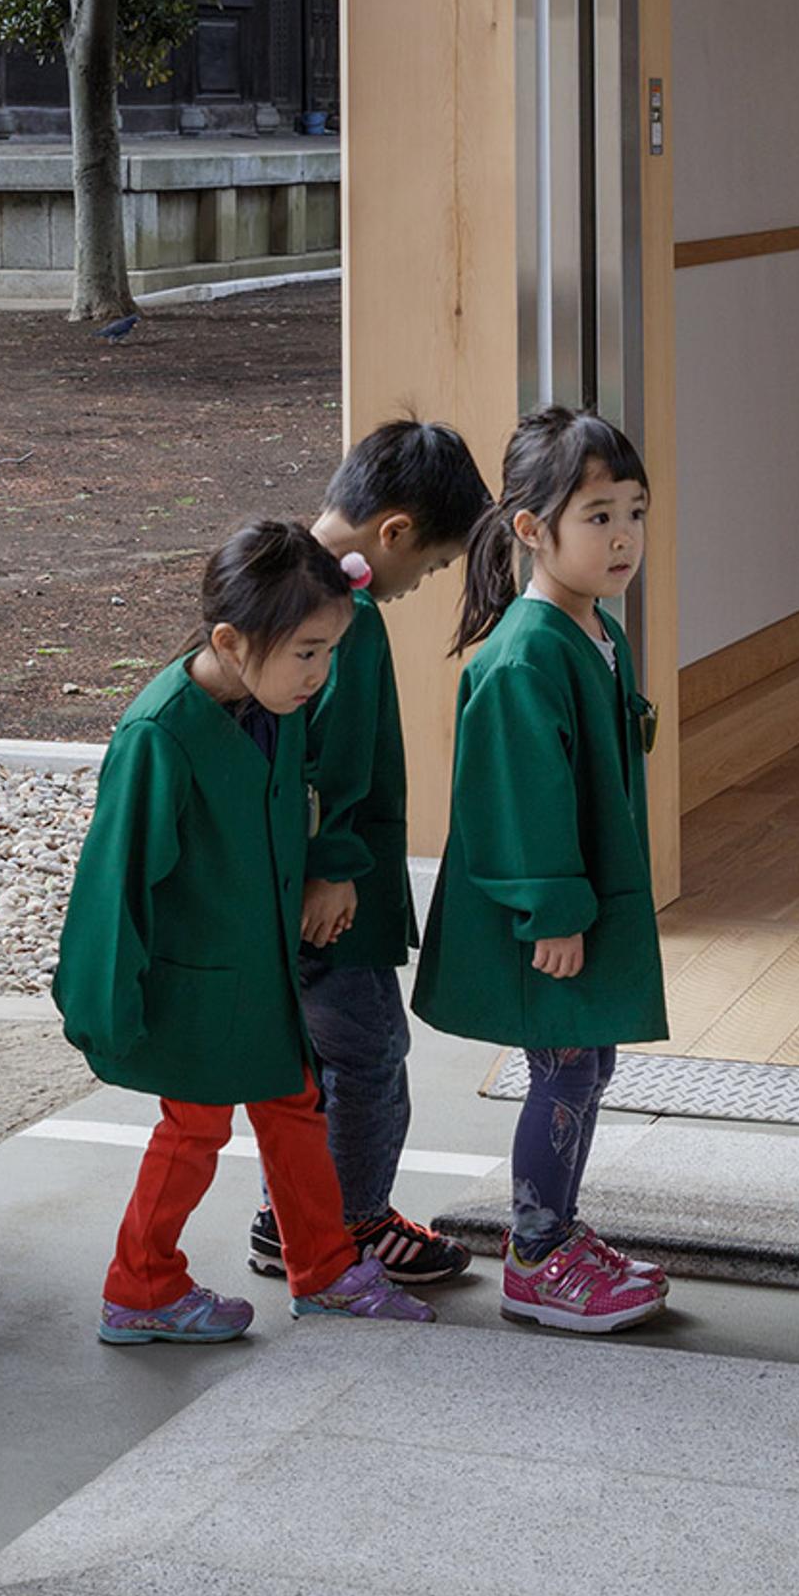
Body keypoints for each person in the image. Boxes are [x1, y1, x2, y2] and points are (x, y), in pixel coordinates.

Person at [60, 524, 444, 1343]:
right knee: (195, 1129)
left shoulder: (274, 707)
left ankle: (326, 1268)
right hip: (192, 986)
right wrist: (103, 1005)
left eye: (331, 651)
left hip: (262, 972)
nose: (321, 675)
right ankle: (141, 1285)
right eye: (307, 652)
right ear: (231, 641)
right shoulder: (159, 736)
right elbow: (113, 883)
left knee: (296, 1107)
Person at [412, 409, 674, 1336]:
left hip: (575, 908)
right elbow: (519, 802)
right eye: (598, 515)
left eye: (634, 513)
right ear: (532, 529)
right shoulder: (527, 655)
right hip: (543, 920)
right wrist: (554, 911)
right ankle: (534, 1256)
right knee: (564, 1068)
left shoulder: (592, 632)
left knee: (584, 1064)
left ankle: (555, 1231)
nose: (624, 538)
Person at [249, 419, 495, 1290]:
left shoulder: (276, 588)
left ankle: (294, 1214)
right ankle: (343, 1223)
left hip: (309, 880)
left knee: (327, 1057)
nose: (420, 582)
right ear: (391, 533)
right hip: (330, 889)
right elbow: (327, 762)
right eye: (426, 567)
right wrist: (333, 866)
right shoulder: (336, 614)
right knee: (368, 1055)